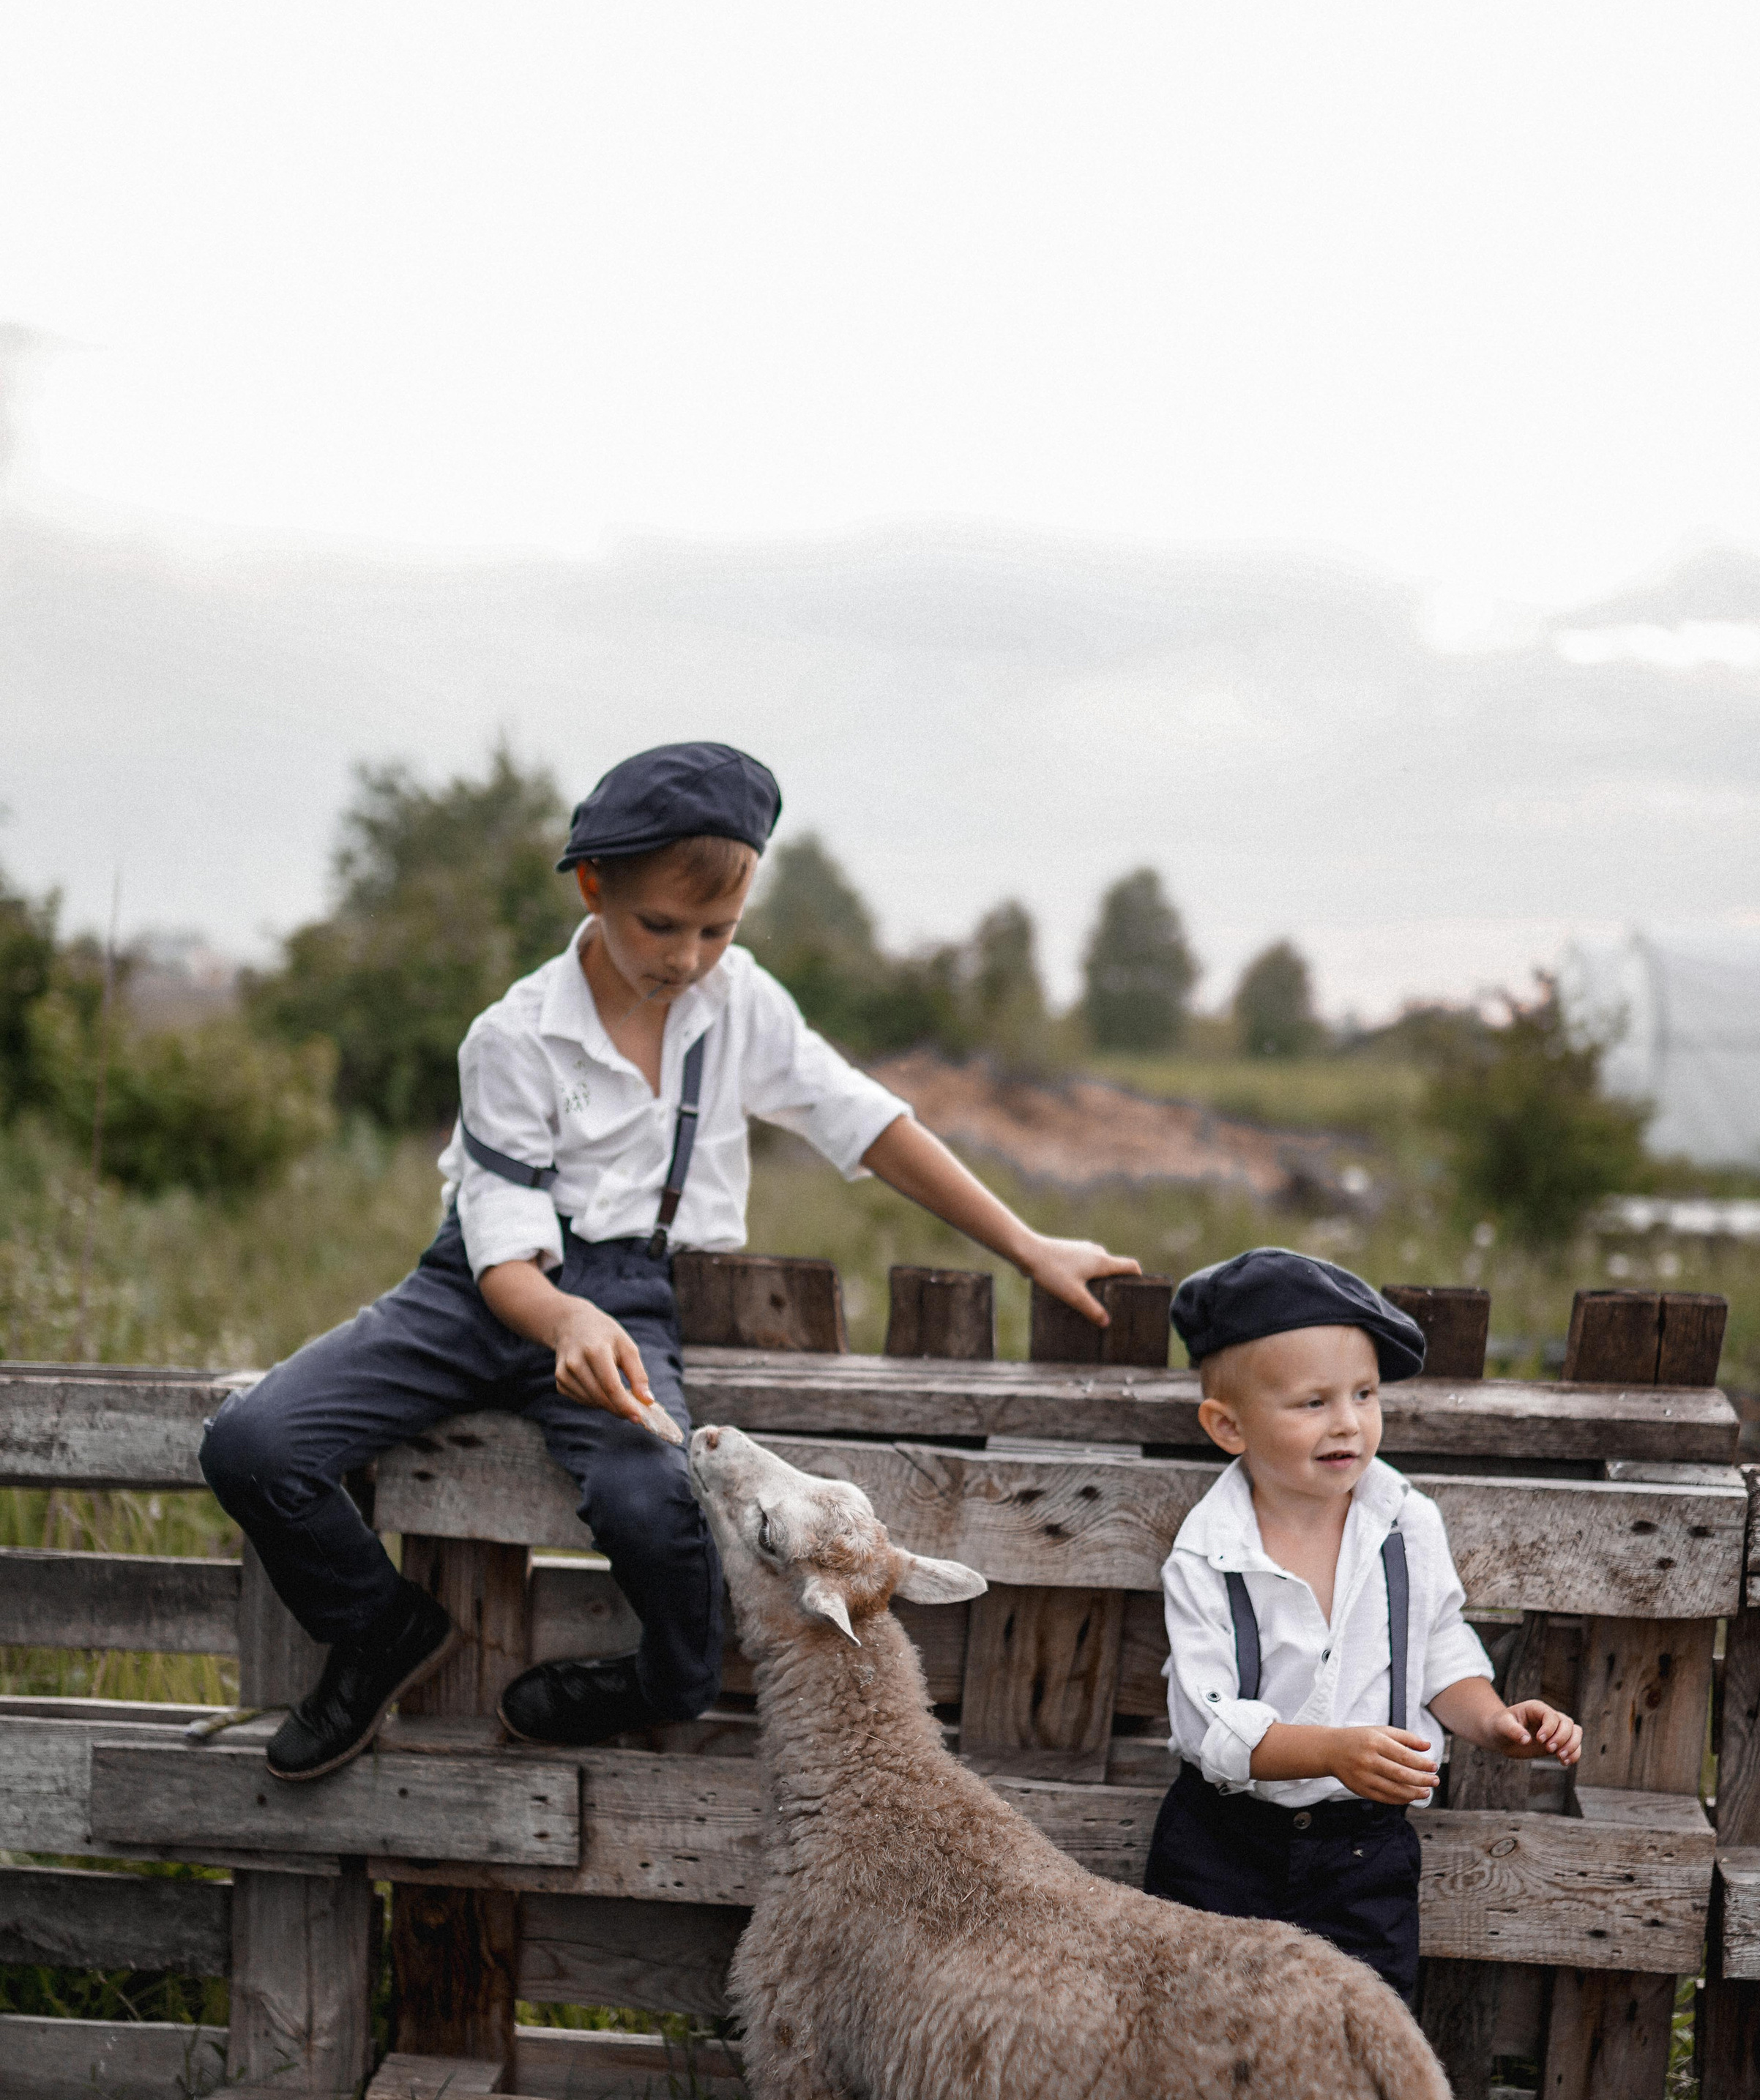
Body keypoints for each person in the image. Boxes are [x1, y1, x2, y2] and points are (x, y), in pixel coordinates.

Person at [201, 741, 1138, 1782]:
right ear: (594, 886)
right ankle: (381, 1630)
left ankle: (674, 1680)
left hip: (635, 1291)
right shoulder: (512, 1039)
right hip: (477, 1287)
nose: (687, 956)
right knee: (254, 1445)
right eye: (660, 925)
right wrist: (560, 1322)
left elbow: (868, 1124)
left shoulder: (739, 1003)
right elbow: (503, 1253)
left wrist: (1028, 1243)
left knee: (653, 1502)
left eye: (717, 930)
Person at [1050, 1247, 1581, 2100]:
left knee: (1348, 2081)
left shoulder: (1403, 1522)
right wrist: (1335, 1746)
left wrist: (1497, 1720)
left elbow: (1442, 1653)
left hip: (1359, 1858)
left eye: (1365, 1397)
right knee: (1187, 2067)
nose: (1349, 1425)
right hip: (1225, 1846)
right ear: (1228, 1425)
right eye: (1313, 1402)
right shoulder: (1212, 1550)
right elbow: (1216, 1727)